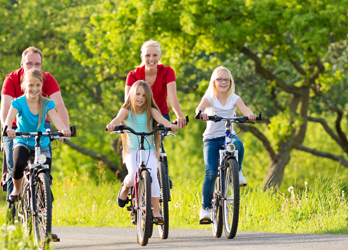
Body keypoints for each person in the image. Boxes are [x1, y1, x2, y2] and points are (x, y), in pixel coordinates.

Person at [0, 46, 70, 201]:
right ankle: (13, 208)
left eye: (37, 64)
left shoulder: (46, 81)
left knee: (45, 158)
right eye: (29, 63)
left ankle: (44, 187)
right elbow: (6, 107)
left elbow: (58, 105)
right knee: (14, 164)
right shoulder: (12, 80)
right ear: (22, 64)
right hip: (17, 126)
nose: (33, 67)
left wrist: (64, 129)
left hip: (40, 123)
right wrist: (5, 131)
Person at [106, 80, 178, 225]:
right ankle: (126, 188)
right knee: (133, 174)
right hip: (132, 151)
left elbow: (162, 121)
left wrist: (171, 126)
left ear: (148, 98)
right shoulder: (126, 110)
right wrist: (112, 125)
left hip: (150, 150)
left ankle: (156, 211)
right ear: (131, 94)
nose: (140, 97)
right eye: (137, 94)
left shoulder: (151, 111)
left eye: (144, 95)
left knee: (153, 177)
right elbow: (117, 119)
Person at [195, 66, 257, 221]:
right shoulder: (209, 97)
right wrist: (201, 114)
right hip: (211, 138)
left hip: (228, 136)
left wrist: (250, 115)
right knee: (210, 173)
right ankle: (205, 208)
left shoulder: (234, 98)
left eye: (226, 79)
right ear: (214, 82)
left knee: (239, 145)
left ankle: (239, 171)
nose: (223, 82)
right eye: (219, 79)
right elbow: (199, 108)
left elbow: (245, 109)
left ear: (230, 82)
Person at [125, 40, 186, 127]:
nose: (151, 59)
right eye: (147, 55)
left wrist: (180, 116)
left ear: (160, 56)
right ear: (142, 57)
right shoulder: (133, 75)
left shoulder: (168, 72)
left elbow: (172, 96)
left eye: (155, 55)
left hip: (161, 116)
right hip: (139, 116)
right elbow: (128, 101)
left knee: (156, 140)